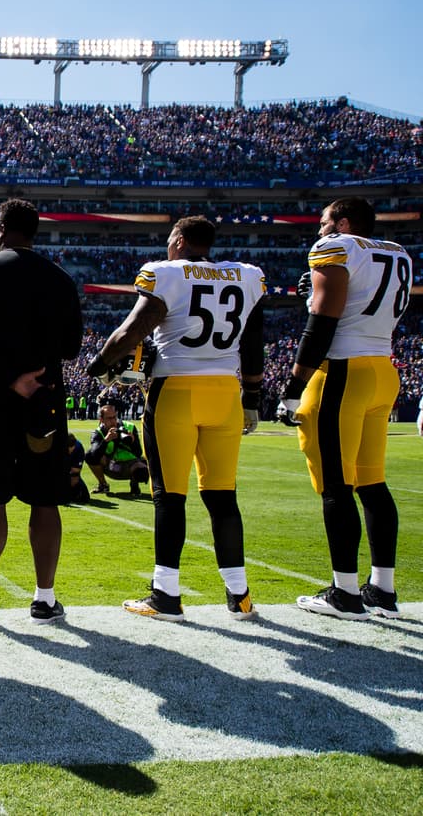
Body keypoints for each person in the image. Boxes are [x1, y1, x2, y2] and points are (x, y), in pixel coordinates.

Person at [88, 215, 266, 623]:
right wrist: (252, 397)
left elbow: (132, 330)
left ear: (181, 240)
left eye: (171, 238)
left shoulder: (166, 274)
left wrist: (99, 366)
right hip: (225, 392)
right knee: (223, 497)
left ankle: (166, 594)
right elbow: (253, 343)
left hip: (177, 390)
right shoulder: (248, 276)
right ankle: (239, 596)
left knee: (169, 494)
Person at [277, 197, 412, 620]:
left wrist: (294, 387)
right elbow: (356, 304)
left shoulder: (336, 247)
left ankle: (345, 593)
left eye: (324, 223)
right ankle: (382, 590)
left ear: (344, 223)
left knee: (337, 487)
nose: (319, 231)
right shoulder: (397, 252)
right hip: (381, 369)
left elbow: (324, 320)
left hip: (342, 372)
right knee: (373, 483)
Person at [0, 199, 83, 628]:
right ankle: (44, 599)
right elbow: (71, 347)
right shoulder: (59, 279)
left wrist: (9, 377)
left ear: (4, 228)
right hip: (44, 399)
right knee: (45, 500)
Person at [84, 400, 150, 497]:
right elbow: (93, 456)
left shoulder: (129, 427)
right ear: (101, 419)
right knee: (89, 454)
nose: (113, 421)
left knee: (142, 467)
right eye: (109, 418)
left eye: (114, 417)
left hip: (130, 466)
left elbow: (138, 453)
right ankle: (103, 484)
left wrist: (132, 441)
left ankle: (134, 485)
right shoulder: (98, 433)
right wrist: (106, 441)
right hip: (110, 466)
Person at [66, 434, 89, 505]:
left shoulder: (78, 448)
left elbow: (75, 471)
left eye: (71, 448)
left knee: (84, 497)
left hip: (69, 470)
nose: (69, 451)